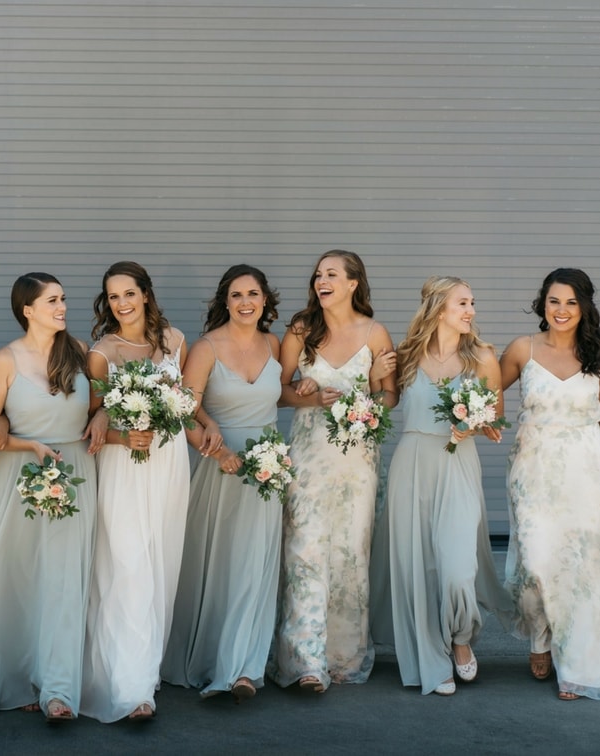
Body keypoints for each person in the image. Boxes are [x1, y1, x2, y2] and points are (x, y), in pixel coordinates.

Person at [0, 272, 100, 722]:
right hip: (22, 473)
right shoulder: (5, 362)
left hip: (74, 471)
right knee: (22, 575)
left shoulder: (80, 354)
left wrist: (105, 413)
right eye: (52, 301)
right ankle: (18, 669)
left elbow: (97, 405)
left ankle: (59, 688)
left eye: (63, 299)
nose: (62, 307)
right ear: (27, 310)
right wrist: (19, 437)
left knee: (67, 578)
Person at [377, 275, 512, 696]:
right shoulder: (405, 357)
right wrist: (370, 377)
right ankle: (430, 657)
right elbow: (385, 403)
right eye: (462, 303)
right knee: (418, 564)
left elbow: (495, 418)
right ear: (438, 309)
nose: (471, 311)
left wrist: (477, 423)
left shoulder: (484, 358)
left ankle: (459, 637)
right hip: (412, 463)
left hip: (458, 462)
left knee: (456, 567)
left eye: (472, 303)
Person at [271, 250, 397, 693]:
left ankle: (342, 656)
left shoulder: (375, 333)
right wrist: (302, 393)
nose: (321, 280)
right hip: (308, 456)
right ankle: (304, 660)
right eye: (318, 274)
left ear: (353, 283)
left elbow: (389, 400)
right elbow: (279, 392)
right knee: (303, 551)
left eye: (332, 274)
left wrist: (372, 390)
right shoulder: (301, 331)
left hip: (357, 463)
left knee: (349, 553)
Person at [161, 264, 282, 701]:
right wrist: (219, 451)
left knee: (255, 566)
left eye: (253, 294)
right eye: (236, 295)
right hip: (220, 469)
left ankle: (243, 669)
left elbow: (281, 392)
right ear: (224, 301)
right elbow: (183, 412)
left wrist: (313, 392)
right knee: (216, 568)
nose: (245, 302)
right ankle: (212, 659)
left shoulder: (275, 344)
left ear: (265, 300)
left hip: (266, 469)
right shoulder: (207, 348)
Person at [80, 261, 189, 722]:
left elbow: (187, 398)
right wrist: (106, 416)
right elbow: (90, 415)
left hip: (168, 459)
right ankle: (132, 690)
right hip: (124, 462)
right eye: (113, 296)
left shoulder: (176, 342)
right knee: (127, 565)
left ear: (146, 294)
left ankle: (145, 672)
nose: (121, 303)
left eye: (129, 293)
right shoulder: (102, 351)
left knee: (159, 564)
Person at [500, 268, 600, 701]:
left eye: (571, 303)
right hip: (533, 468)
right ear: (543, 303)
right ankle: (539, 635)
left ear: (585, 307)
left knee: (579, 566)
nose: (561, 310)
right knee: (536, 560)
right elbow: (484, 395)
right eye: (554, 301)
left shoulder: (596, 351)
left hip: (586, 470)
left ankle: (573, 661)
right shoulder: (523, 348)